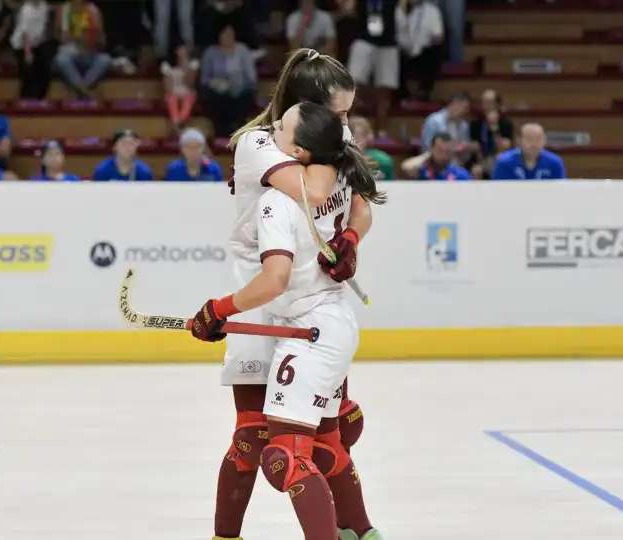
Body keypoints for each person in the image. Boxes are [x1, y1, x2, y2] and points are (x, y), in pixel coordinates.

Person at [191, 102, 386, 540]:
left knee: (286, 457)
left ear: (298, 149)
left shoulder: (276, 202)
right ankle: (361, 532)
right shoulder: (336, 166)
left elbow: (275, 280)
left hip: (307, 326)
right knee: (323, 443)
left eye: (282, 126)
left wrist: (219, 310)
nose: (271, 127)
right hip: (326, 321)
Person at [347, 0, 399, 131]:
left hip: (389, 43)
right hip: (364, 40)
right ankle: (344, 128)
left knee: (385, 91)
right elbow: (347, 8)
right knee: (353, 86)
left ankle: (381, 132)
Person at [200, 24, 258, 138]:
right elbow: (204, 79)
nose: (229, 37)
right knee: (214, 97)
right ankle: (221, 133)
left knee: (246, 96)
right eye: (225, 34)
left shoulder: (243, 50)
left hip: (241, 89)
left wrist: (238, 84)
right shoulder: (211, 53)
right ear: (218, 36)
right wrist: (216, 83)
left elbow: (251, 78)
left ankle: (240, 131)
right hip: (219, 90)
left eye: (231, 34)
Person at [53, 0, 112, 99]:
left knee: (105, 60)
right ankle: (85, 91)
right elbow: (56, 35)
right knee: (61, 59)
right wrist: (62, 37)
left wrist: (93, 38)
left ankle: (81, 89)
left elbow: (102, 41)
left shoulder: (94, 11)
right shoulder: (63, 9)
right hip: (69, 53)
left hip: (89, 53)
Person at [395, 0, 443, 100]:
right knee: (392, 53)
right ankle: (401, 92)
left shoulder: (432, 11)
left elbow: (439, 36)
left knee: (434, 52)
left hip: (423, 51)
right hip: (403, 50)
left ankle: (424, 90)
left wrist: (429, 40)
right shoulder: (398, 11)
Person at [11, 0, 56, 100]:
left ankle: (41, 97)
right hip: (21, 45)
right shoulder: (26, 10)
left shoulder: (43, 7)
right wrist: (28, 53)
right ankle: (25, 97)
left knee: (46, 67)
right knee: (29, 68)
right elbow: (24, 34)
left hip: (37, 43)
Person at [491, 122, 567, 181]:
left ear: (544, 140)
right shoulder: (504, 163)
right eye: (529, 139)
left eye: (538, 139)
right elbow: (497, 192)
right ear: (519, 140)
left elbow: (560, 193)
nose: (534, 144)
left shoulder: (555, 163)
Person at [467, 89, 514, 178]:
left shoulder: (505, 123)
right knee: (476, 170)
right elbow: (475, 146)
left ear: (497, 104)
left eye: (489, 102)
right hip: (481, 159)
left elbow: (505, 147)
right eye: (483, 102)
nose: (486, 105)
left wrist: (494, 127)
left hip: (499, 158)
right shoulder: (476, 123)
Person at [401, 132, 471, 180]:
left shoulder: (460, 174)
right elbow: (406, 167)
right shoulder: (422, 170)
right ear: (432, 150)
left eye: (447, 151)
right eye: (440, 150)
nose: (443, 155)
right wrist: (427, 155)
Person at [161, 44, 199, 129]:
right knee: (171, 98)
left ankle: (181, 119)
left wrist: (185, 65)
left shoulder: (193, 64)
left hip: (187, 90)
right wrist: (174, 92)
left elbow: (190, 83)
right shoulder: (167, 66)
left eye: (184, 53)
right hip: (172, 90)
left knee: (188, 97)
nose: (181, 55)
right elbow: (167, 85)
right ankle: (176, 120)